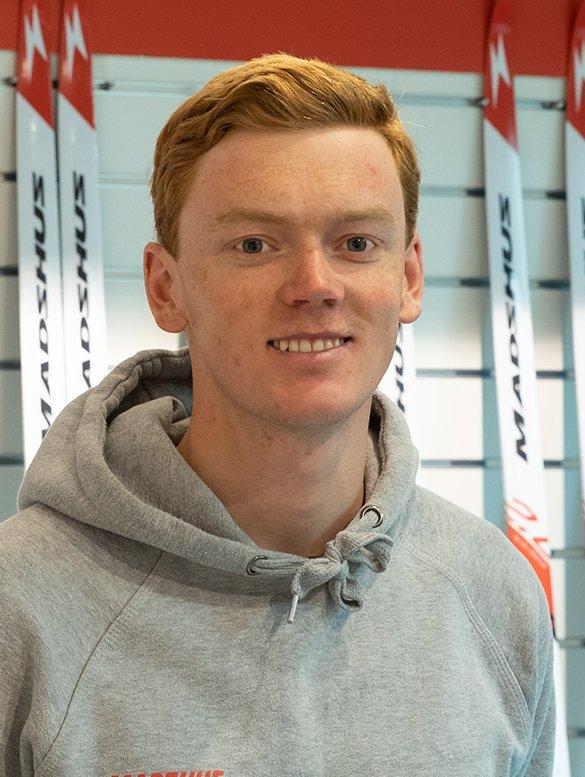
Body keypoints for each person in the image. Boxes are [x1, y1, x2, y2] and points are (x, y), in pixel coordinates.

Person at [0, 53, 554, 777]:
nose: (313, 285)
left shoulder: (493, 591)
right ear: (165, 288)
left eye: (356, 243)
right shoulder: (23, 602)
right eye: (254, 245)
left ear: (408, 277)